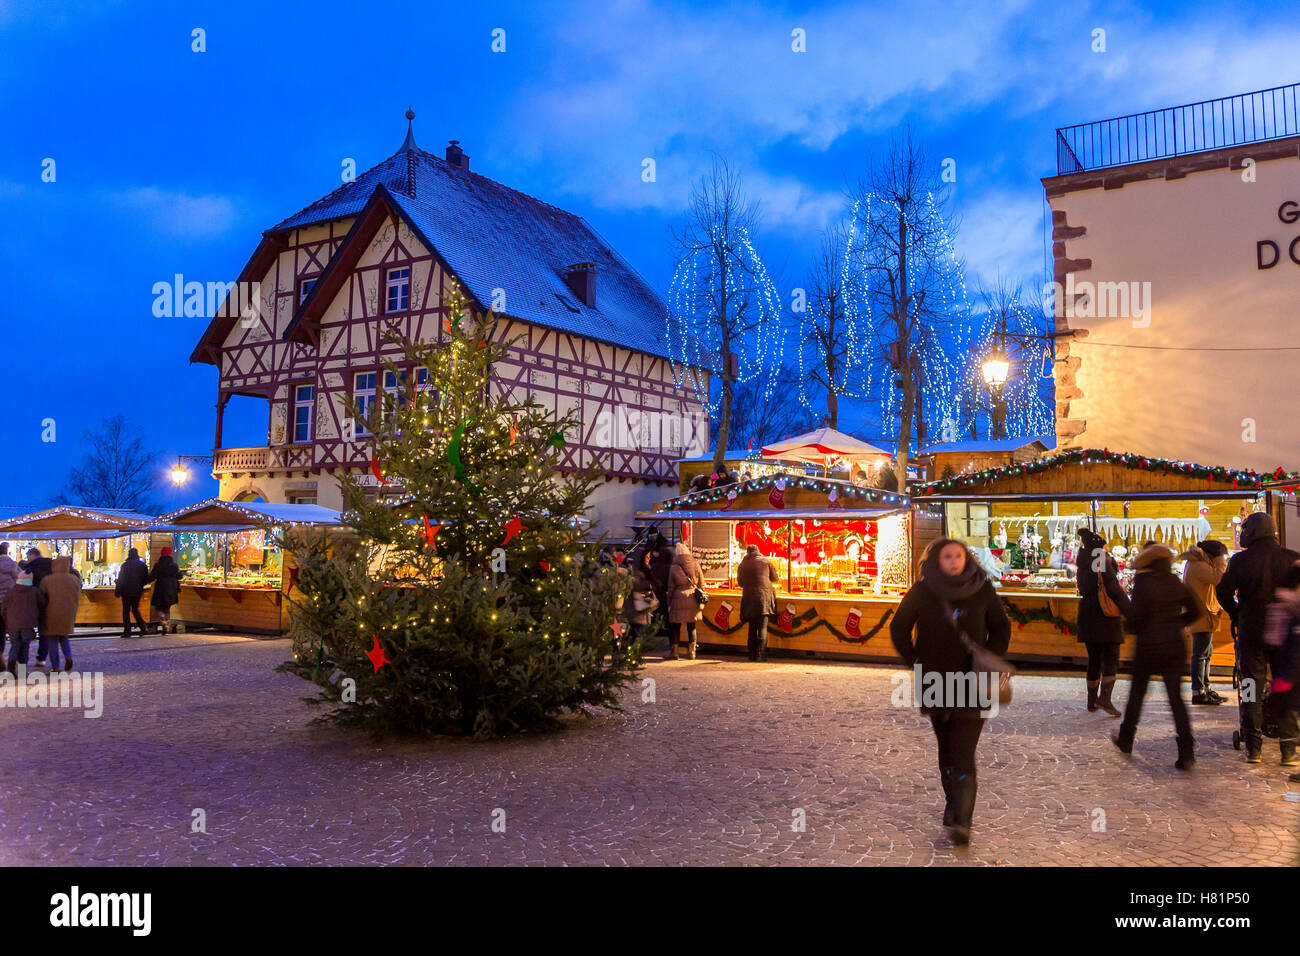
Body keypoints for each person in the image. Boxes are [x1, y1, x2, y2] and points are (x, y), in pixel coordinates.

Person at [890, 538, 1011, 845]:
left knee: (964, 750)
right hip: (936, 682)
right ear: (936, 560)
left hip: (973, 683)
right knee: (946, 747)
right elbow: (899, 627)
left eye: (959, 555)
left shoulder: (982, 588)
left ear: (966, 558)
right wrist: (915, 660)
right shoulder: (922, 590)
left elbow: (1001, 626)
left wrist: (990, 656)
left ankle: (963, 821)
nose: (955, 561)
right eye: (948, 556)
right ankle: (952, 802)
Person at [1217, 512, 1300, 765]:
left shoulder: (1241, 560)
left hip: (1252, 633)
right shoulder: (1292, 558)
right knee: (1284, 686)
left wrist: (1236, 612)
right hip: (1283, 636)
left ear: (1251, 532)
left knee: (1251, 688)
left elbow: (1223, 591)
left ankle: (1254, 747)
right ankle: (1288, 749)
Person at [1112, 543, 1199, 770]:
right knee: (1175, 699)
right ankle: (1186, 751)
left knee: (1137, 694)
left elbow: (1135, 618)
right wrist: (1175, 625)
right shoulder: (1175, 582)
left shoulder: (1144, 583)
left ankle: (1126, 738)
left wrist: (1127, 611)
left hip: (1148, 646)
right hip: (1174, 646)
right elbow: (1196, 611)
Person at [1074, 528, 1131, 716]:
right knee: (1111, 658)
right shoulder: (1102, 562)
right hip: (1104, 617)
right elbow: (1115, 591)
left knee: (1094, 659)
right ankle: (1105, 699)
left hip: (1087, 615)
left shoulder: (1082, 563)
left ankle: (1092, 702)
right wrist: (1131, 612)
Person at [1180, 539, 1228, 705]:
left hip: (1203, 613)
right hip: (1201, 614)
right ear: (1210, 555)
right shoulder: (1199, 566)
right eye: (1219, 556)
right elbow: (1218, 579)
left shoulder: (1197, 563)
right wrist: (1221, 562)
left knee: (1205, 654)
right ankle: (1198, 692)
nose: (1221, 559)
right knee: (1201, 655)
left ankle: (1205, 688)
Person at [737, 543, 778, 662]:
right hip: (763, 598)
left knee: (752, 627)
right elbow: (775, 578)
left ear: (747, 552)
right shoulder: (765, 561)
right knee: (762, 627)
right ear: (758, 550)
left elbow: (740, 583)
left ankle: (751, 654)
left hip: (749, 598)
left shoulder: (742, 564)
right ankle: (761, 655)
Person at [39, 555, 80, 672]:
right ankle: (68, 656)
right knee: (64, 637)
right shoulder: (74, 579)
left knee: (52, 641)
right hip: (68, 613)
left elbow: (42, 597)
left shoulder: (47, 579)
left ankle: (55, 667)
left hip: (51, 613)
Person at [666, 541, 705, 660]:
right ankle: (692, 653)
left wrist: (669, 601)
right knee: (691, 626)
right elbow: (701, 583)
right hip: (692, 597)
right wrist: (701, 597)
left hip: (678, 598)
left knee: (676, 626)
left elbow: (671, 587)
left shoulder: (673, 568)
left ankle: (675, 653)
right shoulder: (696, 564)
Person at [5, 571, 43, 674]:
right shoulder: (34, 591)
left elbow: (4, 607)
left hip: (13, 623)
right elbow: (42, 605)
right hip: (28, 623)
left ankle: (11, 664)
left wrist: (6, 621)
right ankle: (22, 671)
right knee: (25, 645)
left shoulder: (11, 591)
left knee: (15, 644)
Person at [622, 550, 659, 654]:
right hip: (637, 611)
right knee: (636, 635)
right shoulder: (638, 574)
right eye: (647, 557)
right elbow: (638, 589)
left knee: (632, 634)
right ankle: (632, 656)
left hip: (635, 610)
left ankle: (629, 655)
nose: (649, 559)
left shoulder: (638, 572)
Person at [147, 547, 184, 635]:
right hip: (171, 589)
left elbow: (152, 577)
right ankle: (166, 625)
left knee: (158, 608)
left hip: (160, 588)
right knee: (167, 608)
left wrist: (143, 581)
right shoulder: (174, 565)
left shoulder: (158, 565)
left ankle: (163, 622)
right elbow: (179, 577)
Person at [116, 546, 151, 638]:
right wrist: (140, 584)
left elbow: (121, 579)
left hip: (126, 591)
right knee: (135, 609)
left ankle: (127, 631)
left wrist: (118, 591)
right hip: (137, 591)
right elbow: (146, 579)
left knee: (126, 611)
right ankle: (143, 628)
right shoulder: (142, 565)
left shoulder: (125, 565)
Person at [0, 542, 19, 659]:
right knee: (13, 631)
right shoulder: (13, 565)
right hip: (10, 603)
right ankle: (15, 659)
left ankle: (0, 655)